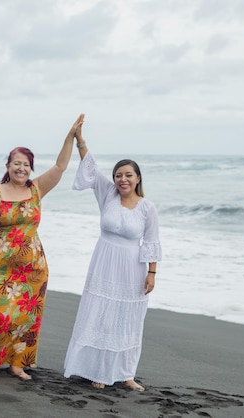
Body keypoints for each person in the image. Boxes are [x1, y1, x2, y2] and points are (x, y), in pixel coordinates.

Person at [0, 114, 85, 380]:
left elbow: (60, 167)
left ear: (30, 169)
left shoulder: (36, 190)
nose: (21, 168)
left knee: (24, 318)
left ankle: (17, 364)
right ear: (8, 165)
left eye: (25, 165)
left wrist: (70, 136)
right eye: (16, 163)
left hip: (31, 267)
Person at [63, 119, 162, 391]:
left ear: (138, 178)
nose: (123, 179)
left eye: (128, 175)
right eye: (119, 175)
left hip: (133, 268)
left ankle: (126, 373)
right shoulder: (107, 194)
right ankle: (98, 370)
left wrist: (152, 273)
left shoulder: (147, 208)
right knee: (102, 314)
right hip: (104, 262)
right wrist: (79, 140)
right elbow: (91, 169)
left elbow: (152, 241)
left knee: (129, 318)